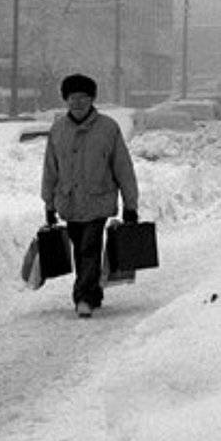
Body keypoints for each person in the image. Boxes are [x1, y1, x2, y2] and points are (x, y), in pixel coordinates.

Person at [41, 73, 140, 318]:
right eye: (72, 98)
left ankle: (83, 297)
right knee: (81, 249)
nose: (77, 103)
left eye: (83, 97)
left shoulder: (108, 128)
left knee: (89, 247)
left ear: (92, 99)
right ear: (66, 100)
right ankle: (93, 291)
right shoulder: (58, 130)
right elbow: (50, 169)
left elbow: (123, 168)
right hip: (69, 202)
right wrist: (49, 204)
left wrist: (130, 204)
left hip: (99, 200)